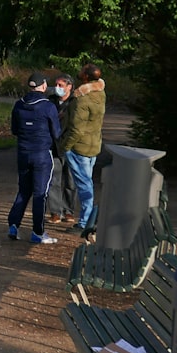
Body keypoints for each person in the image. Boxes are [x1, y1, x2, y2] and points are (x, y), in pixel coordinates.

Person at [7, 72, 62, 244]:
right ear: (44, 86)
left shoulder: (19, 105)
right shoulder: (48, 106)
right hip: (42, 154)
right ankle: (38, 232)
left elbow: (14, 130)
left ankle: (13, 225)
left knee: (23, 190)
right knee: (40, 193)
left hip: (23, 153)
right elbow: (56, 132)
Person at [61, 63, 106, 232]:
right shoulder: (100, 93)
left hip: (79, 147)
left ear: (86, 76)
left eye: (83, 69)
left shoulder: (82, 99)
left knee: (84, 185)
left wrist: (65, 146)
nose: (79, 70)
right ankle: (88, 220)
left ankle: (85, 223)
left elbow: (77, 129)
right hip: (93, 143)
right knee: (87, 183)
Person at [47, 74, 78, 224]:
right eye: (56, 85)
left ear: (69, 87)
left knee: (70, 182)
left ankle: (69, 211)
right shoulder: (51, 101)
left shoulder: (75, 102)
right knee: (54, 180)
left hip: (71, 147)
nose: (57, 88)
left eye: (61, 85)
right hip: (54, 146)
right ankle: (55, 212)